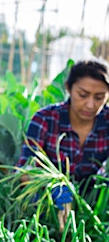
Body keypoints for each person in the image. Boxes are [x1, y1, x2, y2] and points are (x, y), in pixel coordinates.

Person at [17, 59, 109, 208]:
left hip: (93, 201)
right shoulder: (46, 119)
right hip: (47, 201)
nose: (90, 105)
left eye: (99, 97)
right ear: (69, 88)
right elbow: (24, 170)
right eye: (82, 95)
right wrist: (51, 185)